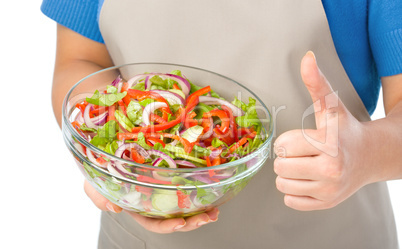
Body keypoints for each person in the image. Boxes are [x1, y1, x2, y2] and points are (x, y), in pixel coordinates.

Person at [42, 0, 402, 248]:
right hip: (142, 238)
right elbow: (80, 59)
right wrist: (109, 162)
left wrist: (364, 155)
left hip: (325, 236)